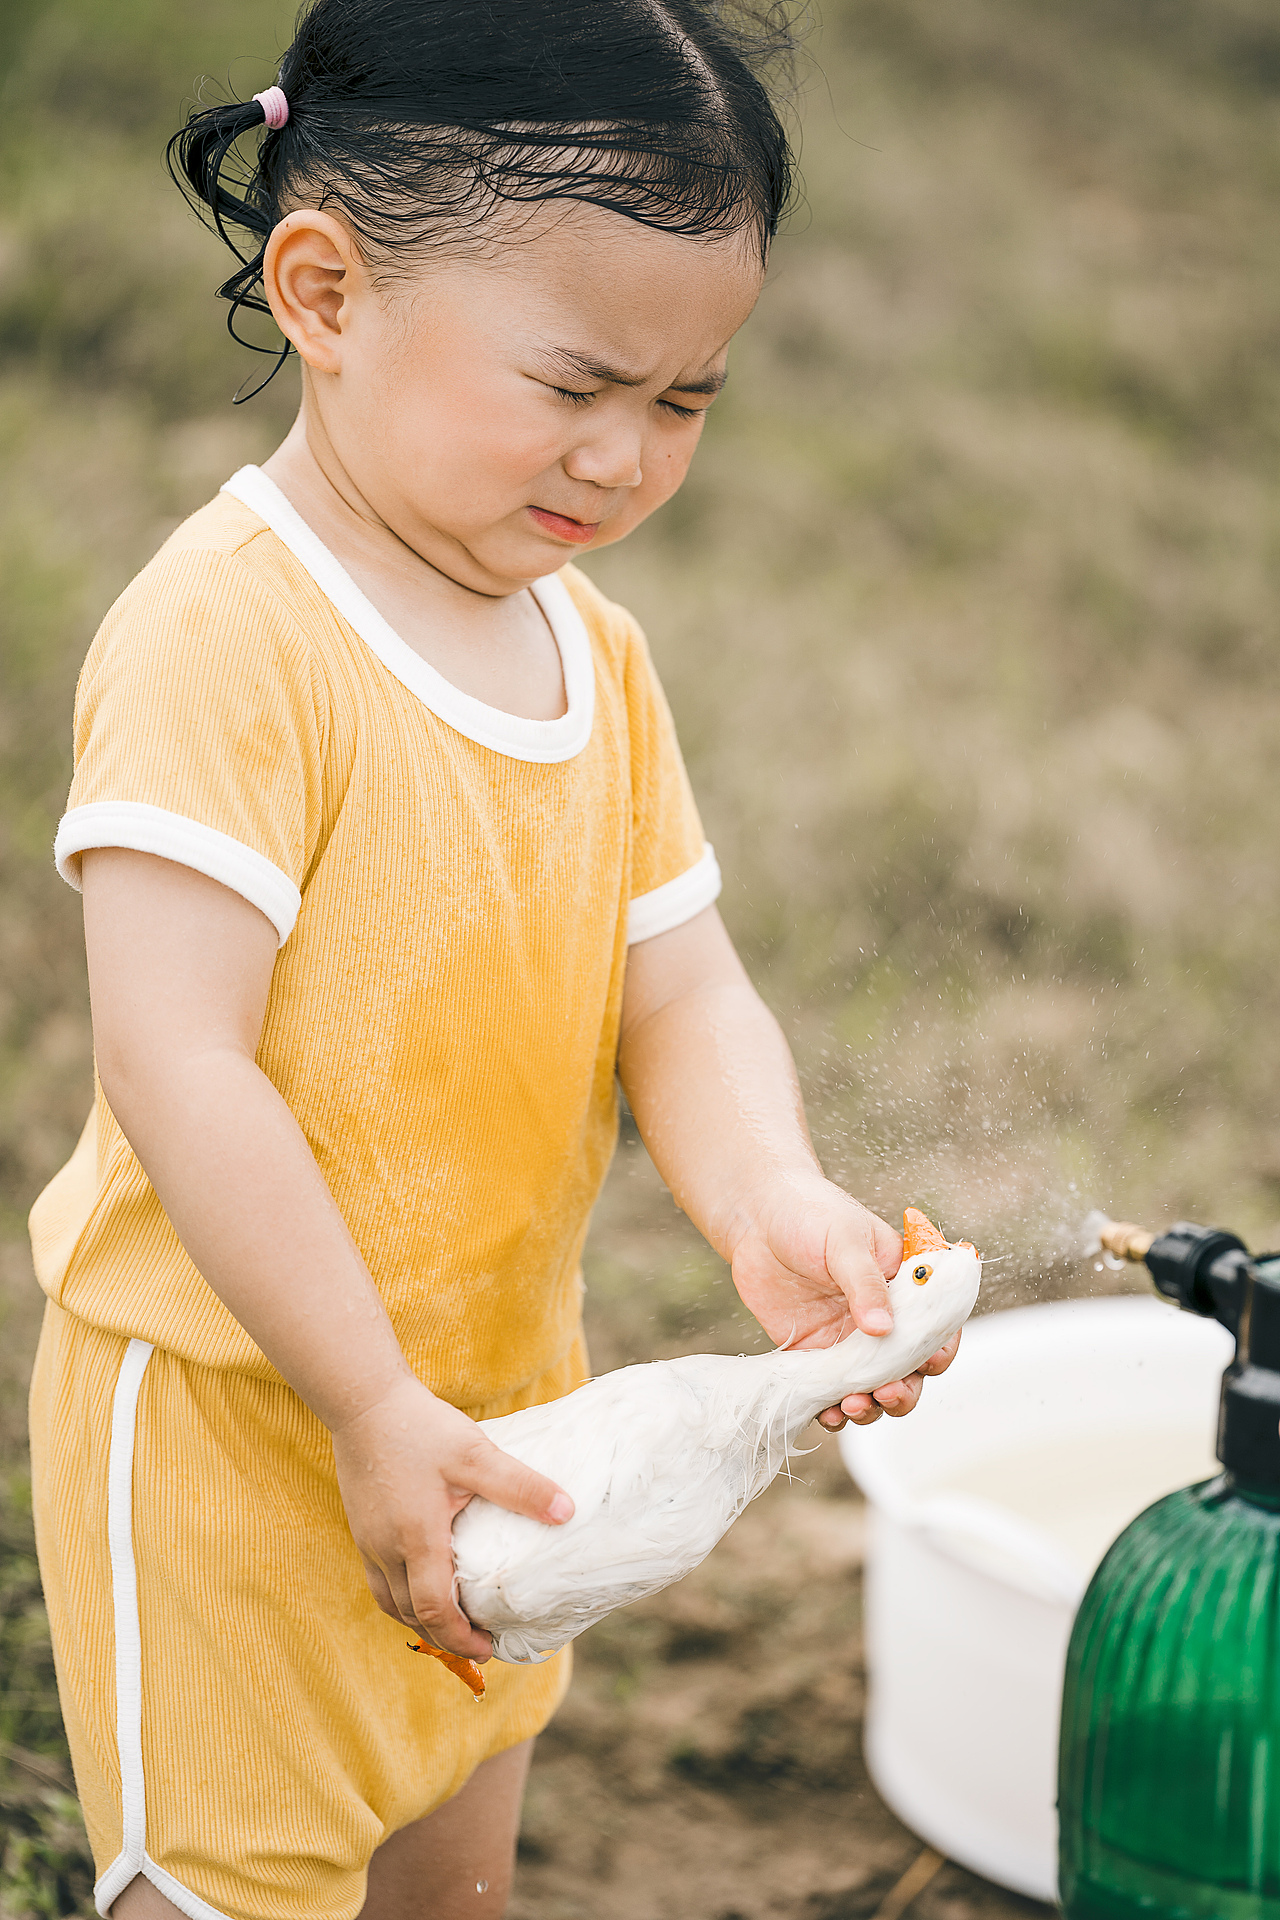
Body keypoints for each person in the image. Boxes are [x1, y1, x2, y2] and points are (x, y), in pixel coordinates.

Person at [27, 4, 959, 1916]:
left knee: (456, 1860)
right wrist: (369, 1408)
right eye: (577, 383)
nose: (625, 457)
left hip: (506, 1416)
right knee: (232, 1875)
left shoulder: (589, 655)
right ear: (326, 289)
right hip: (245, 1434)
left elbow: (680, 987)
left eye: (689, 400)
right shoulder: (229, 639)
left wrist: (763, 1192)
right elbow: (173, 1064)